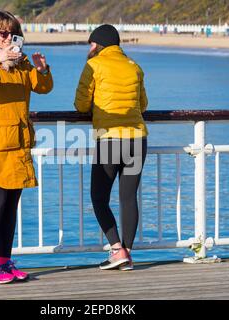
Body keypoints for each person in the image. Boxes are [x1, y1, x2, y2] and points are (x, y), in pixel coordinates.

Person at [0, 11, 53, 284]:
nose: (7, 37)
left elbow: (43, 88)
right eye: (2, 32)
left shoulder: (22, 63)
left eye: (12, 33)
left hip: (19, 142)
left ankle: (5, 262)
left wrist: (42, 69)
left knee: (12, 206)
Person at [74, 24, 148, 271]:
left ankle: (117, 249)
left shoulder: (94, 65)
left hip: (109, 139)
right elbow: (143, 104)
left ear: (97, 44)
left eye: (91, 44)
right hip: (137, 139)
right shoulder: (134, 66)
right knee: (128, 198)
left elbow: (81, 104)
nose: (89, 48)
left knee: (99, 197)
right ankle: (127, 252)